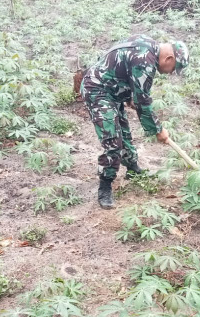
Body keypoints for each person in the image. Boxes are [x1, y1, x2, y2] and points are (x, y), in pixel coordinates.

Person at [81, 36, 189, 209]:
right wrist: (158, 129)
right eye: (173, 69)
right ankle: (105, 186)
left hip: (113, 90)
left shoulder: (148, 45)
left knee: (125, 134)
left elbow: (126, 72)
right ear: (169, 59)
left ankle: (132, 168)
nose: (170, 73)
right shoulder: (145, 61)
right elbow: (143, 102)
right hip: (97, 90)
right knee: (113, 140)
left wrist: (130, 95)